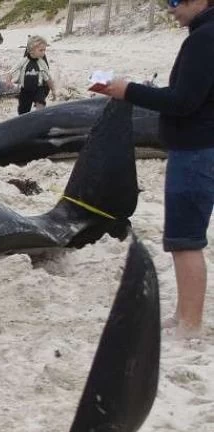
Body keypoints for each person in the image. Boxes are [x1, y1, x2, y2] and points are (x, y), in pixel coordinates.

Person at [96, 0, 214, 337]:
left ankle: (190, 324)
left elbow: (183, 102)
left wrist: (128, 90)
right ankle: (183, 316)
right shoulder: (204, 34)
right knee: (184, 236)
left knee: (185, 239)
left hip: (196, 151)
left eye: (175, 1)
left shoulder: (204, 39)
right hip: (200, 148)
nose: (170, 8)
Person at [9, 35, 53, 114]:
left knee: (40, 102)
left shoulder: (42, 62)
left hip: (39, 87)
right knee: (23, 110)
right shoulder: (24, 61)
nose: (43, 52)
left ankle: (40, 114)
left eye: (44, 50)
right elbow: (12, 71)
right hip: (26, 89)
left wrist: (53, 90)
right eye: (41, 50)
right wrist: (9, 80)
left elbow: (48, 78)